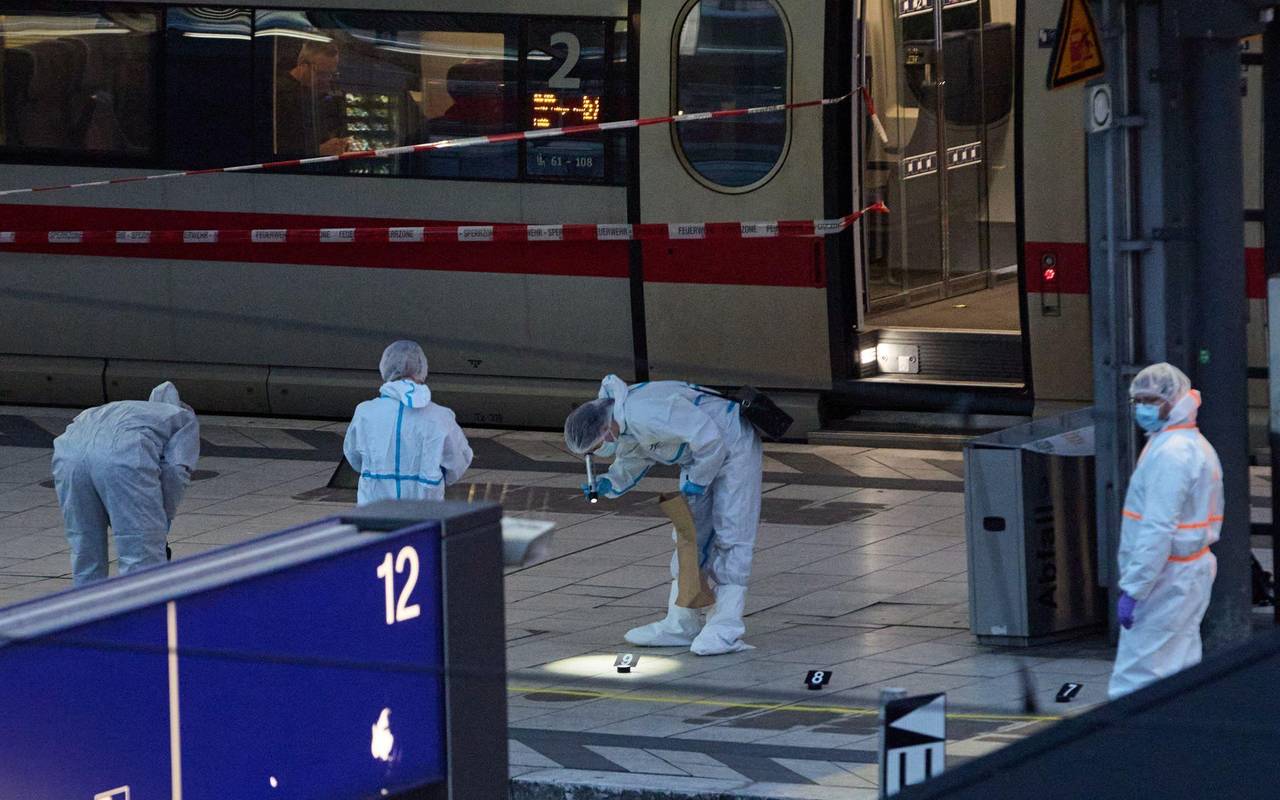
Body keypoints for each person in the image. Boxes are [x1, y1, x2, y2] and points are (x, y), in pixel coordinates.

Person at [564, 376, 763, 655]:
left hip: (733, 446)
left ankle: (725, 629)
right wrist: (611, 481)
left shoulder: (645, 411)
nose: (602, 451)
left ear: (605, 432)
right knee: (688, 538)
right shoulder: (624, 421)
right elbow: (636, 454)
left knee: (732, 536)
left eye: (596, 448)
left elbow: (709, 440)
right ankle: (682, 623)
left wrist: (698, 481)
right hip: (699, 457)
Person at [1108, 362, 1223, 699]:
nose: (1143, 408)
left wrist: (1135, 588)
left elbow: (1157, 528)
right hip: (1184, 573)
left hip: (1166, 577)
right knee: (1178, 666)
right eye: (1138, 400)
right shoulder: (1187, 444)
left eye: (1151, 400)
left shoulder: (1172, 454)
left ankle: (1134, 745)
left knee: (1139, 676)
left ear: (1174, 401)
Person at [52, 382, 200, 586]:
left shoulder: (128, 409)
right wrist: (161, 518)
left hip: (68, 454)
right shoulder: (183, 418)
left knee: (85, 548)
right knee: (140, 555)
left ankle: (87, 611)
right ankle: (142, 613)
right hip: (123, 455)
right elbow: (176, 470)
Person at [344, 340, 473, 505]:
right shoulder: (440, 416)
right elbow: (458, 461)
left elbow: (353, 456)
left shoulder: (365, 412)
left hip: (373, 511)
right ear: (422, 369)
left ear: (385, 368)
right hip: (424, 513)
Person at [274, 40, 352, 157]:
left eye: (331, 74)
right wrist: (316, 151)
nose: (327, 79)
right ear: (303, 66)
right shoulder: (277, 92)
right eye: (321, 73)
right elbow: (274, 145)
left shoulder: (317, 91)